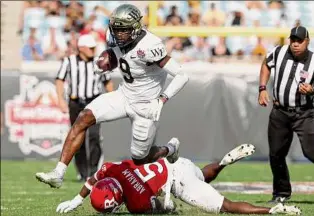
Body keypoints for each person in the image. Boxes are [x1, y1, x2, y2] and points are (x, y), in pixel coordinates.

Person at [35, 4, 189, 188]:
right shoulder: (115, 38)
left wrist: (162, 99)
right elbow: (118, 56)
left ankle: (169, 149)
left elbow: (182, 75)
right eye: (116, 29)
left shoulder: (151, 45)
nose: (118, 34)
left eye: (123, 29)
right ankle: (58, 173)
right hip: (123, 95)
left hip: (146, 106)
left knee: (140, 158)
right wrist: (104, 62)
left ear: (135, 28)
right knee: (83, 117)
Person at [55, 139, 301, 215]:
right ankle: (224, 162)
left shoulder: (135, 202)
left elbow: (165, 207)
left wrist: (167, 207)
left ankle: (273, 211)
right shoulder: (112, 169)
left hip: (177, 183)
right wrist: (77, 200)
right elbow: (93, 180)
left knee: (225, 206)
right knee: (203, 178)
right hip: (176, 164)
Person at [258, 25, 314, 203]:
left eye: (299, 41)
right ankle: (281, 194)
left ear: (307, 41)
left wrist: (312, 90)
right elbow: (266, 64)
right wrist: (262, 88)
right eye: (293, 40)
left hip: (304, 113)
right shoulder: (278, 52)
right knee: (276, 153)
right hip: (280, 112)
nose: (295, 44)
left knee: (311, 152)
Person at [56, 34, 114, 181]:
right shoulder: (69, 61)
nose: (93, 50)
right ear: (81, 48)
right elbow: (60, 80)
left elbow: (107, 82)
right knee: (77, 138)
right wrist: (60, 100)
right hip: (75, 102)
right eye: (91, 48)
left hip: (94, 101)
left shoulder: (98, 62)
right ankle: (82, 172)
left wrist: (113, 99)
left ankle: (93, 172)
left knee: (94, 136)